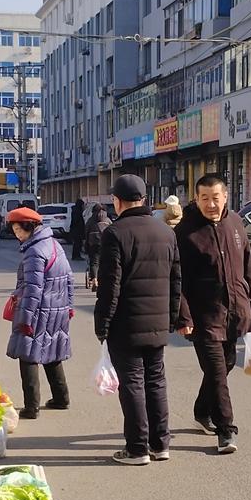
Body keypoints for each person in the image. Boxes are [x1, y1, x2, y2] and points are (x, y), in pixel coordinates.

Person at [93, 175, 181, 465]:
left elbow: (110, 286)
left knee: (132, 383)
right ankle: (161, 444)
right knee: (156, 381)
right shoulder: (165, 232)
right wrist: (172, 317)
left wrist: (102, 323)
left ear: (117, 201)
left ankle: (137, 448)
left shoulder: (115, 233)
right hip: (158, 323)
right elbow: (176, 280)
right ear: (143, 199)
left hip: (126, 324)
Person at [175, 173, 251, 456]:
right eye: (204, 198)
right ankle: (226, 429)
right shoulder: (185, 232)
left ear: (225, 197)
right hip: (204, 316)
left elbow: (247, 264)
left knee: (227, 364)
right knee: (217, 371)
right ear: (196, 199)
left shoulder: (235, 223)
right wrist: (183, 316)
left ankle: (202, 409)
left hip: (234, 311)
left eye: (215, 198)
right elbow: (178, 279)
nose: (211, 204)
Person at [5, 207, 73, 419]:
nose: (17, 235)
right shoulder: (54, 245)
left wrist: (25, 319)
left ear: (29, 227)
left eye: (18, 230)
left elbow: (32, 289)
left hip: (38, 311)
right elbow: (69, 279)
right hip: (58, 309)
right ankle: (61, 398)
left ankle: (31, 406)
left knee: (27, 355)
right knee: (52, 353)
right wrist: (69, 307)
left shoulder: (34, 251)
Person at [84, 203, 106, 292]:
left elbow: (86, 233)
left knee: (94, 262)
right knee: (104, 262)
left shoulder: (90, 221)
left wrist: (86, 244)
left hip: (93, 244)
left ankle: (94, 281)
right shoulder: (107, 220)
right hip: (105, 244)